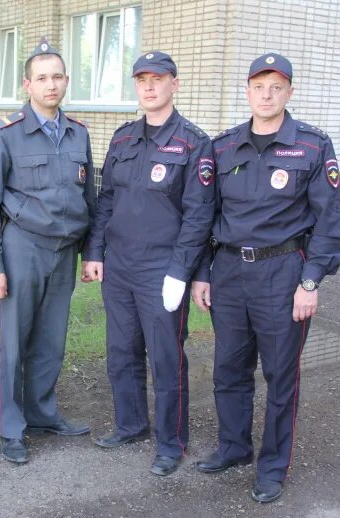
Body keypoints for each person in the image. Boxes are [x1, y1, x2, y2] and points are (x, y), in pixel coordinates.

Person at [191, 53, 340, 503]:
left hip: (284, 273)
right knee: (229, 368)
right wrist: (203, 273)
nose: (267, 93)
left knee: (281, 375)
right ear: (247, 91)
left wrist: (311, 281)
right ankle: (234, 447)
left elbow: (330, 222)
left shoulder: (313, 146)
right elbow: (206, 216)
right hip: (229, 272)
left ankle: (273, 465)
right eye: (259, 85)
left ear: (289, 93)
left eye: (276, 86)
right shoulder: (221, 148)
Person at [83, 51, 215, 476]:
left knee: (165, 357)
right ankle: (131, 423)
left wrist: (181, 271)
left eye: (157, 79)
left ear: (174, 84)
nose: (149, 87)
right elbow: (107, 201)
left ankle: (171, 442)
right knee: (121, 351)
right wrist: (95, 251)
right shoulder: (123, 138)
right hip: (119, 264)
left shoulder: (194, 143)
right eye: (141, 79)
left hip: (162, 268)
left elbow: (199, 214)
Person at [0, 38, 96, 464]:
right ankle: (11, 427)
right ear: (27, 84)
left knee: (51, 340)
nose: (51, 84)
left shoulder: (79, 132)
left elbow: (90, 198)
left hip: (64, 252)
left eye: (58, 77)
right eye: (42, 78)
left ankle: (42, 412)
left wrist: (92, 250)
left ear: (66, 81)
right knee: (14, 342)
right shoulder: (5, 134)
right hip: (20, 248)